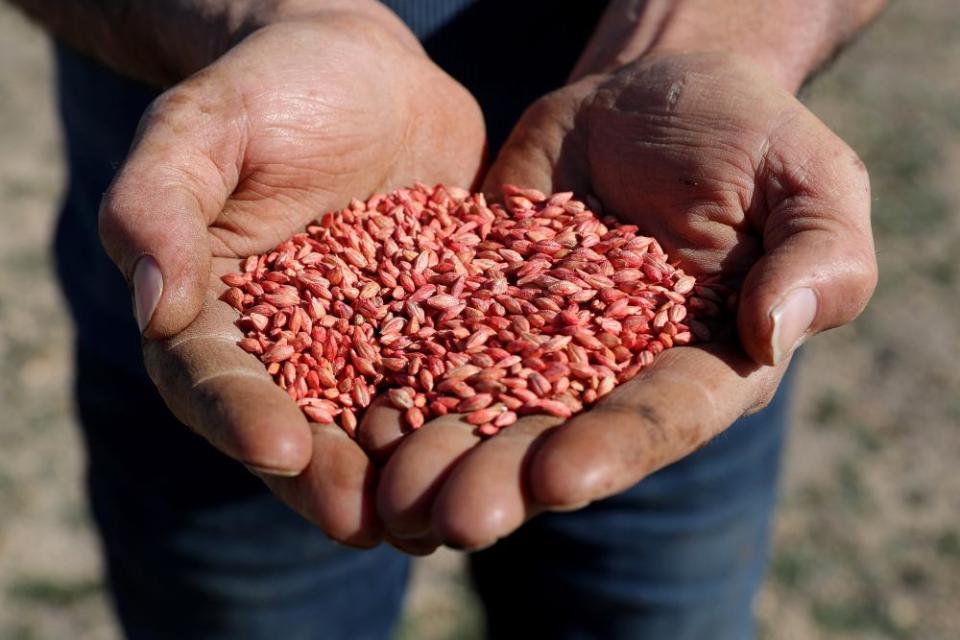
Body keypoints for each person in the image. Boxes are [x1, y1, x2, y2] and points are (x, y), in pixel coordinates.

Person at [10, 1, 882, 638]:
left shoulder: (642, 288)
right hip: (237, 225)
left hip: (692, 265)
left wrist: (712, 33)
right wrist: (266, 14)